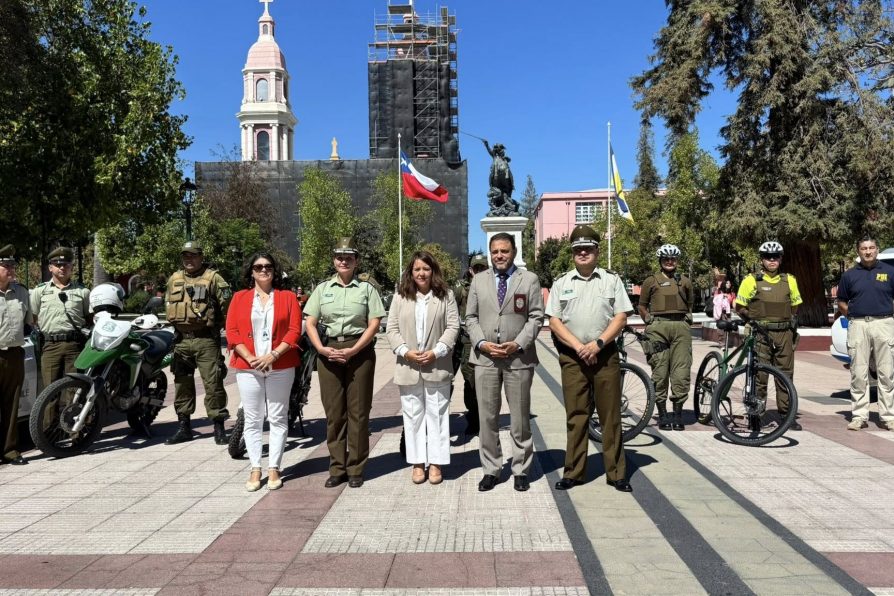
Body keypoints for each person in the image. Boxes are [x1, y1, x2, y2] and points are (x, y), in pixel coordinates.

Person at [548, 226, 634, 492]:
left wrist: (597, 344)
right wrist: (578, 346)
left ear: (597, 251)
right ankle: (574, 472)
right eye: (577, 250)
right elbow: (554, 320)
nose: (582, 253)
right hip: (574, 358)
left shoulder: (611, 280)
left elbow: (621, 316)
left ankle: (617, 473)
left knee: (611, 416)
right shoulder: (562, 282)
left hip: (605, 355)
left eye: (588, 249)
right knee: (576, 415)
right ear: (572, 254)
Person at [304, 237, 385, 489]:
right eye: (339, 257)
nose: (343, 260)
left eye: (349, 257)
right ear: (334, 260)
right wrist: (320, 349)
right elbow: (310, 322)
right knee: (334, 414)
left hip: (358, 352)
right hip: (328, 352)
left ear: (356, 261)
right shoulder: (322, 289)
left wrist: (353, 350)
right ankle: (337, 467)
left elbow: (374, 323)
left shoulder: (367, 289)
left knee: (359, 413)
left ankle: (356, 468)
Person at [466, 232, 544, 492]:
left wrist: (519, 343)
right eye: (495, 251)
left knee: (520, 417)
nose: (499, 255)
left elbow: (535, 317)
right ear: (490, 253)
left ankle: (521, 469)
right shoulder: (478, 280)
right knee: (487, 418)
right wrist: (481, 343)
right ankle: (491, 469)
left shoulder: (529, 279)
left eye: (505, 251)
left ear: (514, 252)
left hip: (518, 358)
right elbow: (471, 318)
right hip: (486, 358)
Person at [226, 252, 302, 491]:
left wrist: (273, 355)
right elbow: (232, 332)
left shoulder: (287, 297)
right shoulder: (239, 298)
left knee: (278, 417)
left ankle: (274, 468)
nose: (263, 270)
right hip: (248, 367)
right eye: (258, 267)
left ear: (274, 270)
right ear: (251, 271)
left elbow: (294, 330)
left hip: (280, 365)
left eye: (268, 266)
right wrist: (250, 358)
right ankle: (255, 467)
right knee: (252, 418)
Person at [386, 251, 460, 484]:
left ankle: (436, 463)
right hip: (408, 365)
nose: (421, 273)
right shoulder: (401, 296)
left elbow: (453, 326)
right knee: (413, 416)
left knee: (437, 415)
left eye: (426, 269)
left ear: (433, 271)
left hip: (436, 364)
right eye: (417, 269)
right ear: (411, 271)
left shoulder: (445, 295)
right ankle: (418, 463)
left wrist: (436, 351)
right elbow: (392, 329)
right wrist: (405, 351)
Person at [164, 241, 232, 445]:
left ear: (201, 257)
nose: (188, 259)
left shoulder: (213, 278)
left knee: (213, 384)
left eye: (193, 255)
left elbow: (228, 307)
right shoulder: (174, 279)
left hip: (205, 340)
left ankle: (219, 427)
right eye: (185, 256)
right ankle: (184, 427)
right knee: (182, 384)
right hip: (182, 341)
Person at [735, 241, 803, 431]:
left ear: (781, 259)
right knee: (760, 376)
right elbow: (739, 306)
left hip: (784, 333)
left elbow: (795, 306)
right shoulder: (751, 280)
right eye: (767, 257)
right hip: (761, 334)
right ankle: (756, 414)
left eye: (775, 257)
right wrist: (753, 319)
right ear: (762, 260)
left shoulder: (789, 280)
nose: (772, 260)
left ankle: (786, 414)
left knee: (785, 375)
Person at [836, 235, 894, 431]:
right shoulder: (849, 276)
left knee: (886, 374)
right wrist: (852, 316)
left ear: (877, 249)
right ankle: (859, 416)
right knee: (858, 374)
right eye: (864, 248)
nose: (868, 251)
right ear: (858, 251)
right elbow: (842, 302)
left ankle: (888, 417)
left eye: (871, 248)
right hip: (858, 325)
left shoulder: (890, 272)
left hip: (884, 324)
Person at [638, 244, 694, 431]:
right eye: (666, 259)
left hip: (680, 328)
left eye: (673, 259)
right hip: (658, 328)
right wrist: (649, 321)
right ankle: (662, 413)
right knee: (660, 371)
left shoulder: (685, 281)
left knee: (681, 372)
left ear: (677, 261)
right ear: (660, 261)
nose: (670, 262)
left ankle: (678, 413)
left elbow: (690, 303)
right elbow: (642, 305)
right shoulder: (651, 281)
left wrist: (686, 322)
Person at [30, 247, 90, 387]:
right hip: (50, 345)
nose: (62, 267)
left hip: (75, 346)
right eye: (58, 265)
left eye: (66, 264)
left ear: (71, 267)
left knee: (75, 391)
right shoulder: (40, 291)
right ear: (50, 267)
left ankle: (73, 410)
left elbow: (89, 318)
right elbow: (33, 318)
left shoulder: (83, 291)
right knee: (50, 393)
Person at [0, 246, 32, 465]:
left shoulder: (21, 292)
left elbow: (29, 324)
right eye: (6, 265)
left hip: (14, 354)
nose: (11, 269)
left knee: (12, 404)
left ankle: (10, 449)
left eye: (13, 265)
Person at [453, 253, 489, 435]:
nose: (480, 272)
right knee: (445, 380)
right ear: (470, 270)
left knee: (472, 381)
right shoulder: (460, 288)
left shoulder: (491, 287)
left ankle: (474, 420)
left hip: (474, 341)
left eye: (483, 268)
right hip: (457, 339)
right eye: (477, 269)